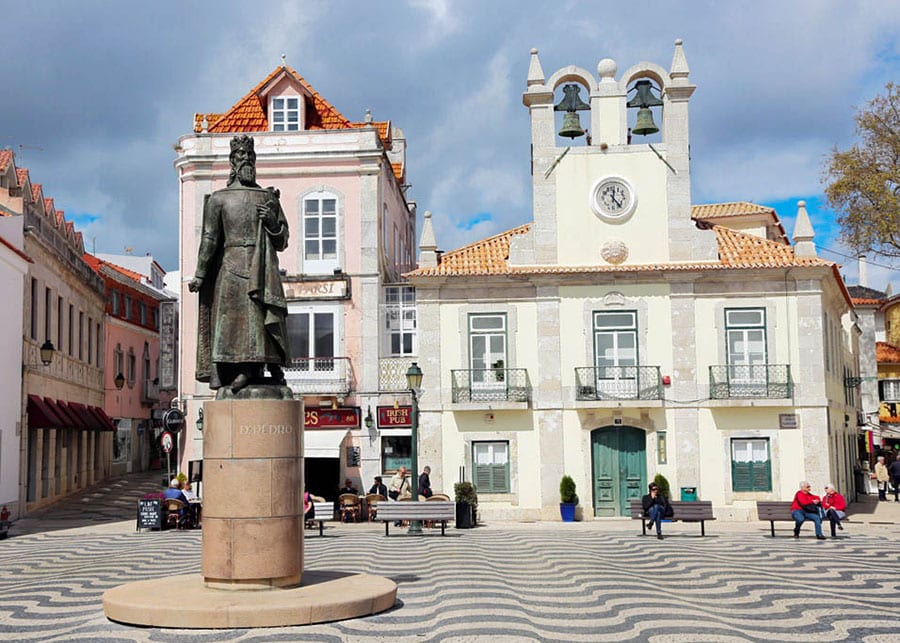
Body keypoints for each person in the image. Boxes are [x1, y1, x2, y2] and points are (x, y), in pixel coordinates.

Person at [189, 134, 291, 396]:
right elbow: (210, 239)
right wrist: (200, 275)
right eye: (241, 156)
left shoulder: (268, 198)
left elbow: (282, 240)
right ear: (232, 162)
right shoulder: (219, 199)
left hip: (262, 269)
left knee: (261, 321)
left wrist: (271, 220)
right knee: (232, 324)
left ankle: (263, 368)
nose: (247, 160)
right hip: (229, 269)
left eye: (251, 157)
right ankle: (236, 371)